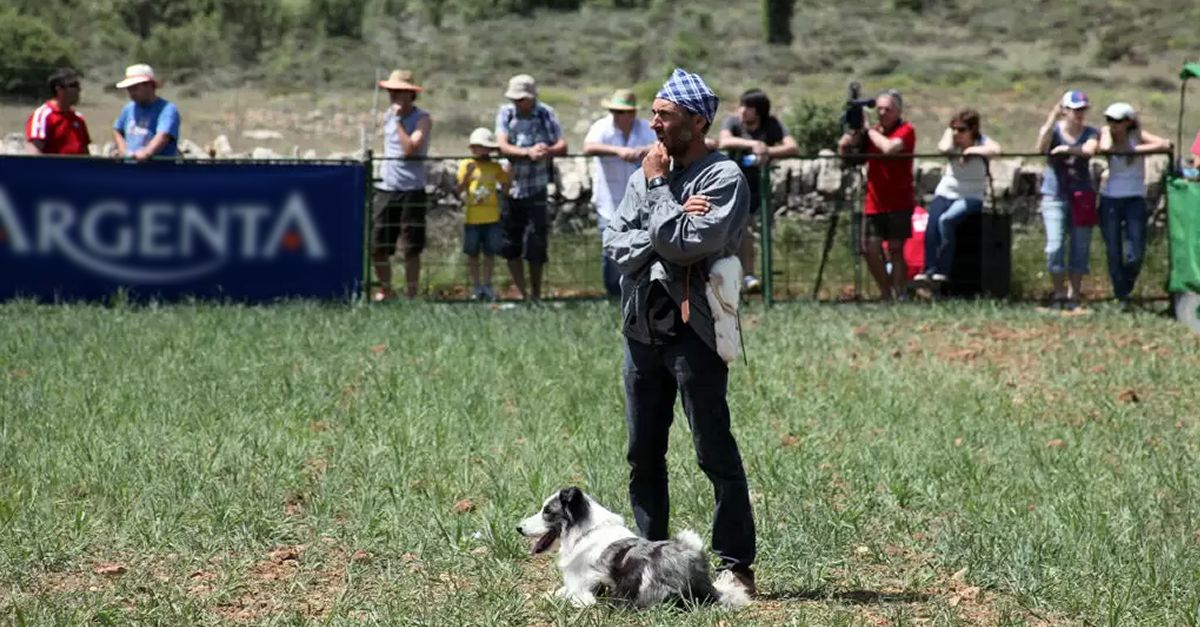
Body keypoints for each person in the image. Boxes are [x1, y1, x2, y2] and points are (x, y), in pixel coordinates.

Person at [602, 68, 757, 597]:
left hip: (696, 334)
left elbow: (689, 246)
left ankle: (735, 563)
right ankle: (647, 562)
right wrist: (664, 219)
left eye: (664, 116)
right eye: (654, 114)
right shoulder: (650, 170)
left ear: (697, 121)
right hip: (641, 329)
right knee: (642, 453)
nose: (654, 124)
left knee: (712, 449)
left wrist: (656, 191)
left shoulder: (723, 179)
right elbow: (617, 247)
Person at [837, 90, 916, 300]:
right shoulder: (873, 133)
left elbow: (889, 148)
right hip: (875, 201)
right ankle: (886, 292)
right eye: (879, 109)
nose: (882, 113)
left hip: (899, 200)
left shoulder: (906, 130)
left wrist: (868, 130)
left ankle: (899, 293)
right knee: (869, 248)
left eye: (887, 109)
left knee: (895, 249)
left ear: (898, 110)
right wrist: (846, 144)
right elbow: (853, 159)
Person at [718, 89, 799, 292]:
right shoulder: (733, 122)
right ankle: (738, 277)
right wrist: (754, 144)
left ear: (759, 111)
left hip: (758, 187)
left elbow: (792, 146)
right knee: (735, 231)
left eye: (748, 107)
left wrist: (768, 151)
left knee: (747, 231)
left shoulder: (771, 124)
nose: (742, 110)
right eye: (742, 105)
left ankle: (747, 276)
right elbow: (724, 141)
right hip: (731, 185)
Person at [496, 74, 568, 302]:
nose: (517, 103)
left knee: (537, 242)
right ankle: (521, 291)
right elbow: (502, 145)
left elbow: (562, 145)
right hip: (511, 187)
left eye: (521, 99)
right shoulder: (505, 113)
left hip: (537, 187)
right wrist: (527, 153)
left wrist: (546, 151)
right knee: (511, 242)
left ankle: (535, 294)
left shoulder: (546, 113)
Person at [583, 89, 657, 297]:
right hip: (609, 200)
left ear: (632, 113)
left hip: (641, 201)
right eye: (615, 110)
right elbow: (589, 147)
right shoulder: (601, 127)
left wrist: (645, 150)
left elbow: (661, 144)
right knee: (611, 251)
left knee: (641, 247)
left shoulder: (645, 128)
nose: (617, 115)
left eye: (622, 111)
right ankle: (614, 294)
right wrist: (618, 151)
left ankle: (639, 292)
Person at [1097, 102, 1171, 308]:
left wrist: (1134, 149)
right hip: (1110, 198)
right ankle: (1121, 295)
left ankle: (1126, 285)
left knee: (1135, 251)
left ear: (1128, 121)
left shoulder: (1137, 135)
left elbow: (1165, 144)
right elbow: (1104, 148)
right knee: (1113, 249)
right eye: (1110, 120)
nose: (1113, 124)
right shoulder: (1106, 134)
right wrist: (1121, 143)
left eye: (1118, 121)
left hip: (1134, 198)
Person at [916, 109, 1001, 285]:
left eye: (962, 130)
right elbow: (943, 148)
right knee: (931, 226)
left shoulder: (982, 142)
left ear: (973, 130)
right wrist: (951, 132)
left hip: (971, 196)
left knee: (946, 220)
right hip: (946, 192)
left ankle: (942, 270)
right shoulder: (951, 143)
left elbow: (997, 150)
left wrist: (971, 150)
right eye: (954, 129)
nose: (957, 133)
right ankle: (928, 269)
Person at [1034, 90, 1099, 309]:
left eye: (1082, 110)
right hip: (1054, 194)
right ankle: (1059, 292)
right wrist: (1052, 118)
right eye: (1075, 110)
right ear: (1065, 111)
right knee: (1055, 245)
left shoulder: (1091, 132)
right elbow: (1040, 148)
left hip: (1082, 195)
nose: (1079, 114)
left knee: (1080, 245)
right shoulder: (1054, 132)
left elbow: (1089, 150)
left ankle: (1074, 294)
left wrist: (1066, 149)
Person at [371, 70, 432, 301]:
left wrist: (397, 122)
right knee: (378, 245)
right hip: (387, 187)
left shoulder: (422, 119)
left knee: (411, 247)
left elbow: (410, 149)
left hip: (411, 189)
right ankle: (387, 290)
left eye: (398, 92)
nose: (393, 96)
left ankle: (411, 294)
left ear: (410, 95)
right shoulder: (387, 116)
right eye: (391, 91)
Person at [456, 127, 510, 301]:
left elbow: (506, 186)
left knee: (489, 253)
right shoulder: (466, 165)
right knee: (473, 253)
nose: (482, 151)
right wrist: (467, 176)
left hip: (491, 216)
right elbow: (459, 189)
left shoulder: (495, 167)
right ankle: (476, 285)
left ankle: (487, 284)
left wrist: (509, 174)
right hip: (473, 217)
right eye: (478, 147)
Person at [111, 64, 180, 161]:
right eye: (129, 89)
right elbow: (117, 130)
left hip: (159, 170)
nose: (131, 93)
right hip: (130, 168)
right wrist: (123, 150)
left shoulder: (167, 109)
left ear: (149, 86)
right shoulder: (128, 109)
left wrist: (147, 152)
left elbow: (163, 135)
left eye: (135, 88)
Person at [25, 68, 90, 155]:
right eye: (74, 85)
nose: (78, 90)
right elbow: (34, 152)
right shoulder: (43, 116)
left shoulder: (78, 119)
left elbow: (85, 152)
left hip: (77, 168)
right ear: (59, 89)